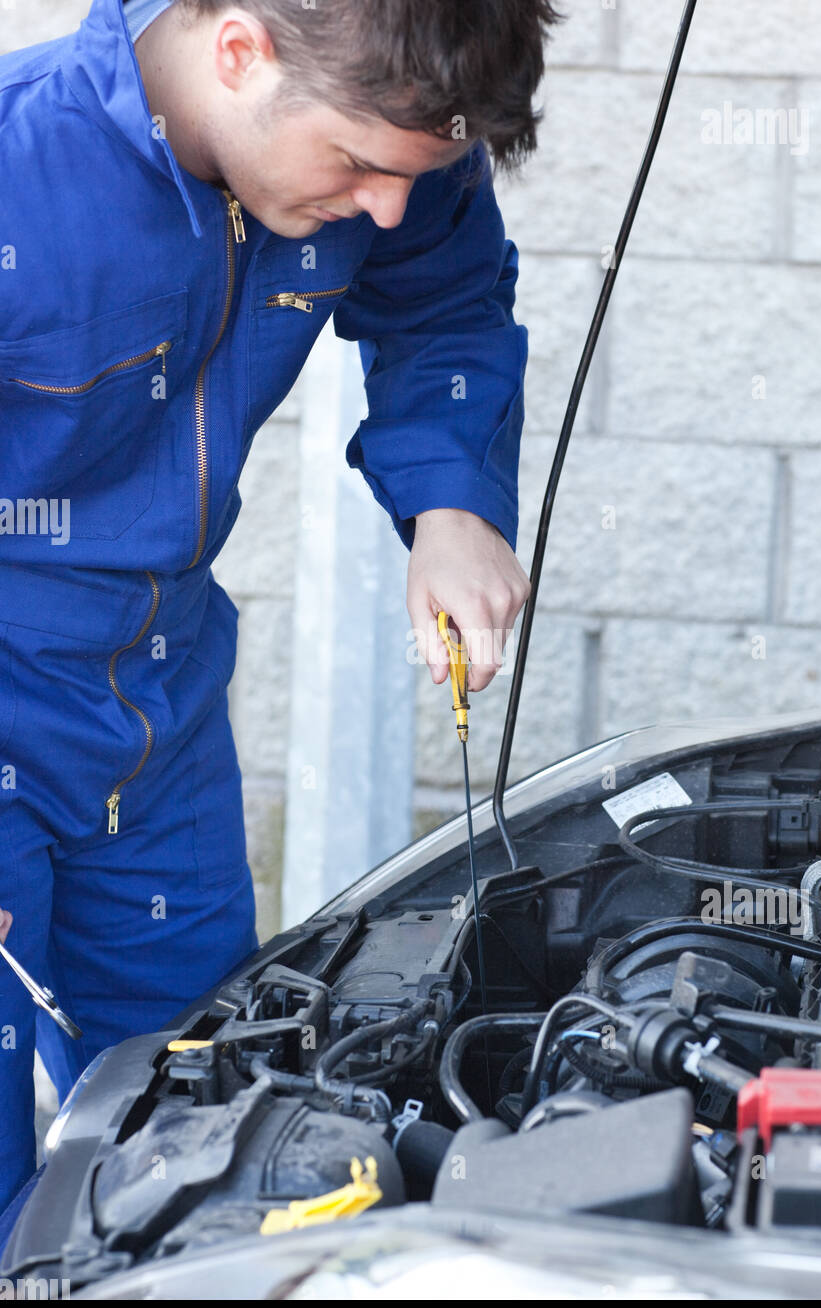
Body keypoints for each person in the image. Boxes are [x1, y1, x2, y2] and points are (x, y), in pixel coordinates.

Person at [0, 0, 559, 1219]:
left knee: (205, 1125)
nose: (389, 209)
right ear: (240, 51)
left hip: (159, 719)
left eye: (423, 176)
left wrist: (453, 503)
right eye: (360, 166)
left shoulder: (389, 139)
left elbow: (444, 306)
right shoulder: (14, 171)